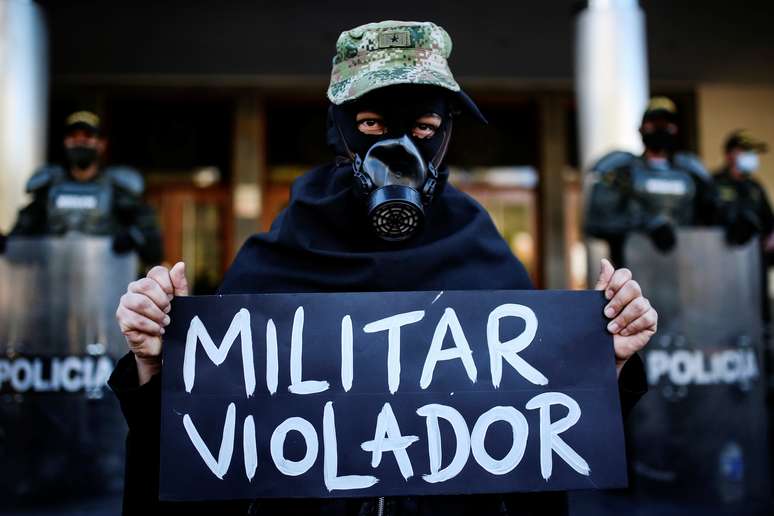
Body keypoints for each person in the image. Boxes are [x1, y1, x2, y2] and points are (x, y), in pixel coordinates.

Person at [110, 21, 657, 516]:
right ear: (339, 129)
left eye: (421, 129)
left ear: (447, 132)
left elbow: (542, 436)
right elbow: (206, 441)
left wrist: (602, 363)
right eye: (370, 123)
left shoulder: (481, 247)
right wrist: (154, 365)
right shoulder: (281, 249)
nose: (397, 150)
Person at [0, 111, 163, 264]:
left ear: (101, 144)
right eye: (73, 136)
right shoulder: (48, 189)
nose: (80, 141)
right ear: (65, 142)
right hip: (53, 284)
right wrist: (7, 244)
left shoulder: (118, 189)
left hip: (107, 284)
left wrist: (134, 239)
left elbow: (152, 246)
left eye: (88, 136)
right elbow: (18, 246)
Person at [584, 97, 716, 265]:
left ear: (675, 129)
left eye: (666, 125)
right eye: (654, 124)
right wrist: (647, 224)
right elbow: (597, 222)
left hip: (684, 269)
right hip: (631, 269)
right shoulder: (621, 170)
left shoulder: (691, 172)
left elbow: (712, 213)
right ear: (641, 129)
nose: (660, 130)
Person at [712, 129, 773, 247]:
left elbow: (769, 220)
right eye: (745, 151)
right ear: (729, 155)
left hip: (752, 255)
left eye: (753, 152)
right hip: (720, 252)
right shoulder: (714, 183)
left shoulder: (755, 186)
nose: (751, 155)